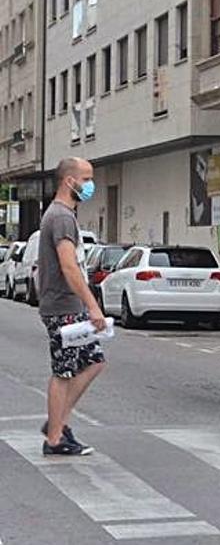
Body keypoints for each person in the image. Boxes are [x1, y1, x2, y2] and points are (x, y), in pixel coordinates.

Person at [39, 157, 107, 456]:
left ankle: (57, 422)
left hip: (68, 305)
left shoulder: (62, 214)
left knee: (94, 361)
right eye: (87, 178)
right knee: (64, 371)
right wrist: (93, 306)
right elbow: (69, 267)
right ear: (70, 181)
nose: (90, 185)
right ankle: (54, 438)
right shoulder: (62, 217)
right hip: (63, 306)